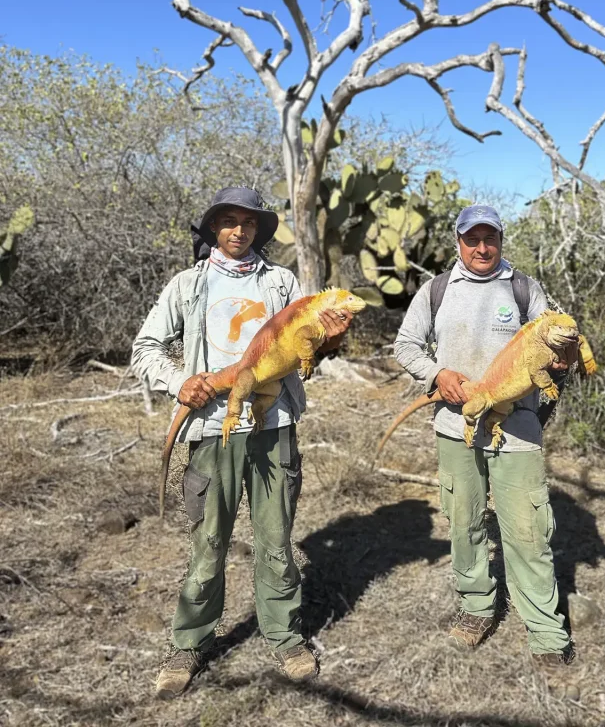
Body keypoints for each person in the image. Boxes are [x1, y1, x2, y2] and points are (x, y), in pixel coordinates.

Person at [131, 187, 353, 699]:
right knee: (208, 542)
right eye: (228, 221)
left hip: (273, 428)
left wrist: (333, 338)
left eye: (248, 223)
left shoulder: (282, 283)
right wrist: (176, 380)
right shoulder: (188, 285)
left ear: (258, 230)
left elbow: (310, 357)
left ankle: (284, 634)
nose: (239, 230)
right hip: (212, 428)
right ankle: (189, 643)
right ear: (213, 228)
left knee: (276, 539)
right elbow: (145, 348)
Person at [393, 205, 576, 682]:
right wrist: (438, 373)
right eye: (471, 239)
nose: (481, 248)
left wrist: (564, 360)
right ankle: (477, 607)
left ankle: (546, 633)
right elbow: (406, 345)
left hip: (518, 429)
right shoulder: (436, 291)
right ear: (457, 241)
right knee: (464, 520)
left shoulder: (523, 289)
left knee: (528, 531)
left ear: (500, 240)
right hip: (455, 427)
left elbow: (556, 341)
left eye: (489, 239)